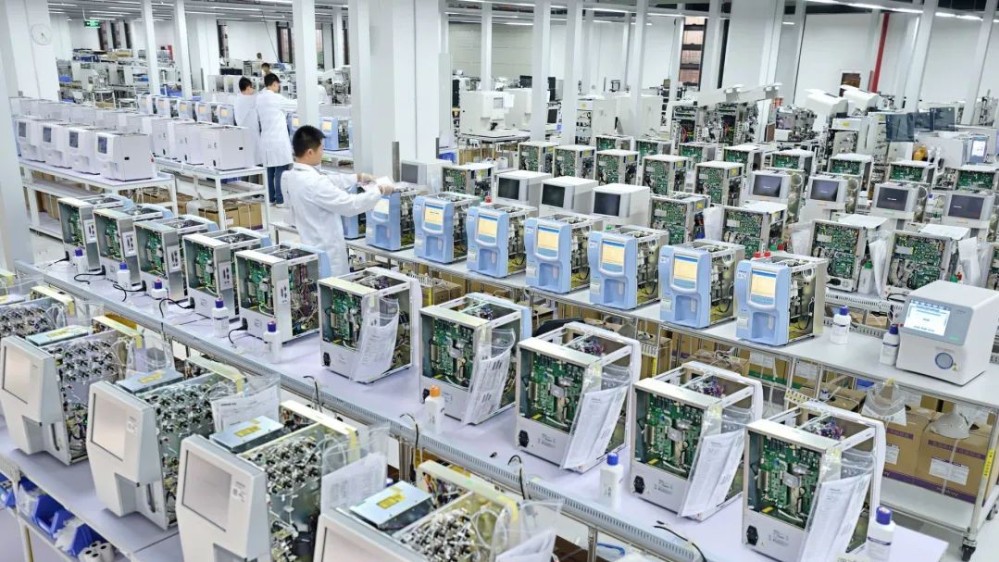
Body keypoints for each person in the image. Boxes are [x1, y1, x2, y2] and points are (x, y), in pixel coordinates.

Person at [284, 126, 393, 276]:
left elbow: (329, 181)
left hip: (309, 245)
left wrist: (357, 177)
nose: (322, 152)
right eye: (321, 149)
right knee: (333, 286)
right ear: (310, 152)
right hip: (328, 252)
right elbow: (351, 205)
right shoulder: (315, 183)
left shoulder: (291, 176)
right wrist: (379, 191)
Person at [256, 73, 296, 207]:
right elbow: (295, 105)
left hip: (266, 139)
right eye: (278, 84)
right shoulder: (276, 98)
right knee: (281, 169)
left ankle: (270, 198)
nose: (278, 87)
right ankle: (280, 200)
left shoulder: (259, 98)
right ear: (274, 84)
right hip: (278, 139)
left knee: (269, 170)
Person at [233, 77, 260, 165]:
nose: (253, 90)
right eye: (252, 87)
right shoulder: (247, 100)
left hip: (246, 132)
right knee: (253, 157)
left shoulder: (239, 98)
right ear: (248, 88)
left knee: (249, 157)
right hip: (250, 132)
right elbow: (258, 98)